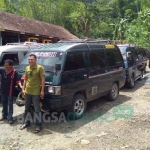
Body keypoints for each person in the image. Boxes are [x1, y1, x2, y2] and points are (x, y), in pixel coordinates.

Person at [20, 54, 45, 133]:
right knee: (27, 109)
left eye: (32, 59)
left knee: (37, 109)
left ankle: (38, 125)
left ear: (35, 60)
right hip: (27, 92)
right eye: (29, 59)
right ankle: (27, 123)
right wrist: (23, 89)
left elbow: (42, 80)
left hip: (35, 92)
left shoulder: (40, 68)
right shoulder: (27, 68)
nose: (30, 61)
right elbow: (25, 80)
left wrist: (42, 91)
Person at [0, 59, 22, 124]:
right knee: (4, 104)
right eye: (5, 65)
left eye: (7, 65)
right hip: (3, 91)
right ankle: (4, 116)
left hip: (10, 92)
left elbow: (18, 81)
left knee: (10, 105)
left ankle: (10, 118)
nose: (5, 66)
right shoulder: (3, 71)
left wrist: (21, 86)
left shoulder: (14, 72)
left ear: (11, 66)